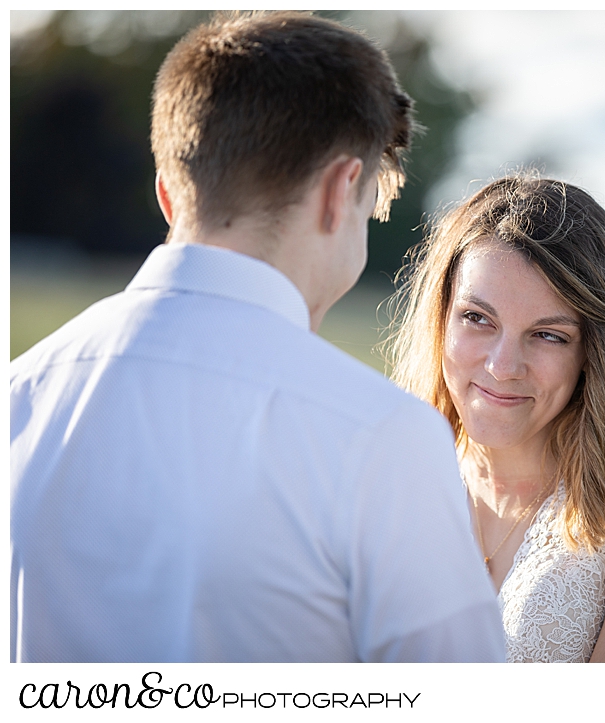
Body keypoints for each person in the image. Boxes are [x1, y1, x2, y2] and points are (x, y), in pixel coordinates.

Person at [10, 11, 505, 663]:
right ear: (340, 190)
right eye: (371, 206)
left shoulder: (18, 392)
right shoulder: (382, 435)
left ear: (168, 194)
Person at [385, 175, 605, 662]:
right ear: (441, 318)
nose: (502, 366)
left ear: (593, 351)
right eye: (478, 318)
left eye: (548, 335)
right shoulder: (392, 467)